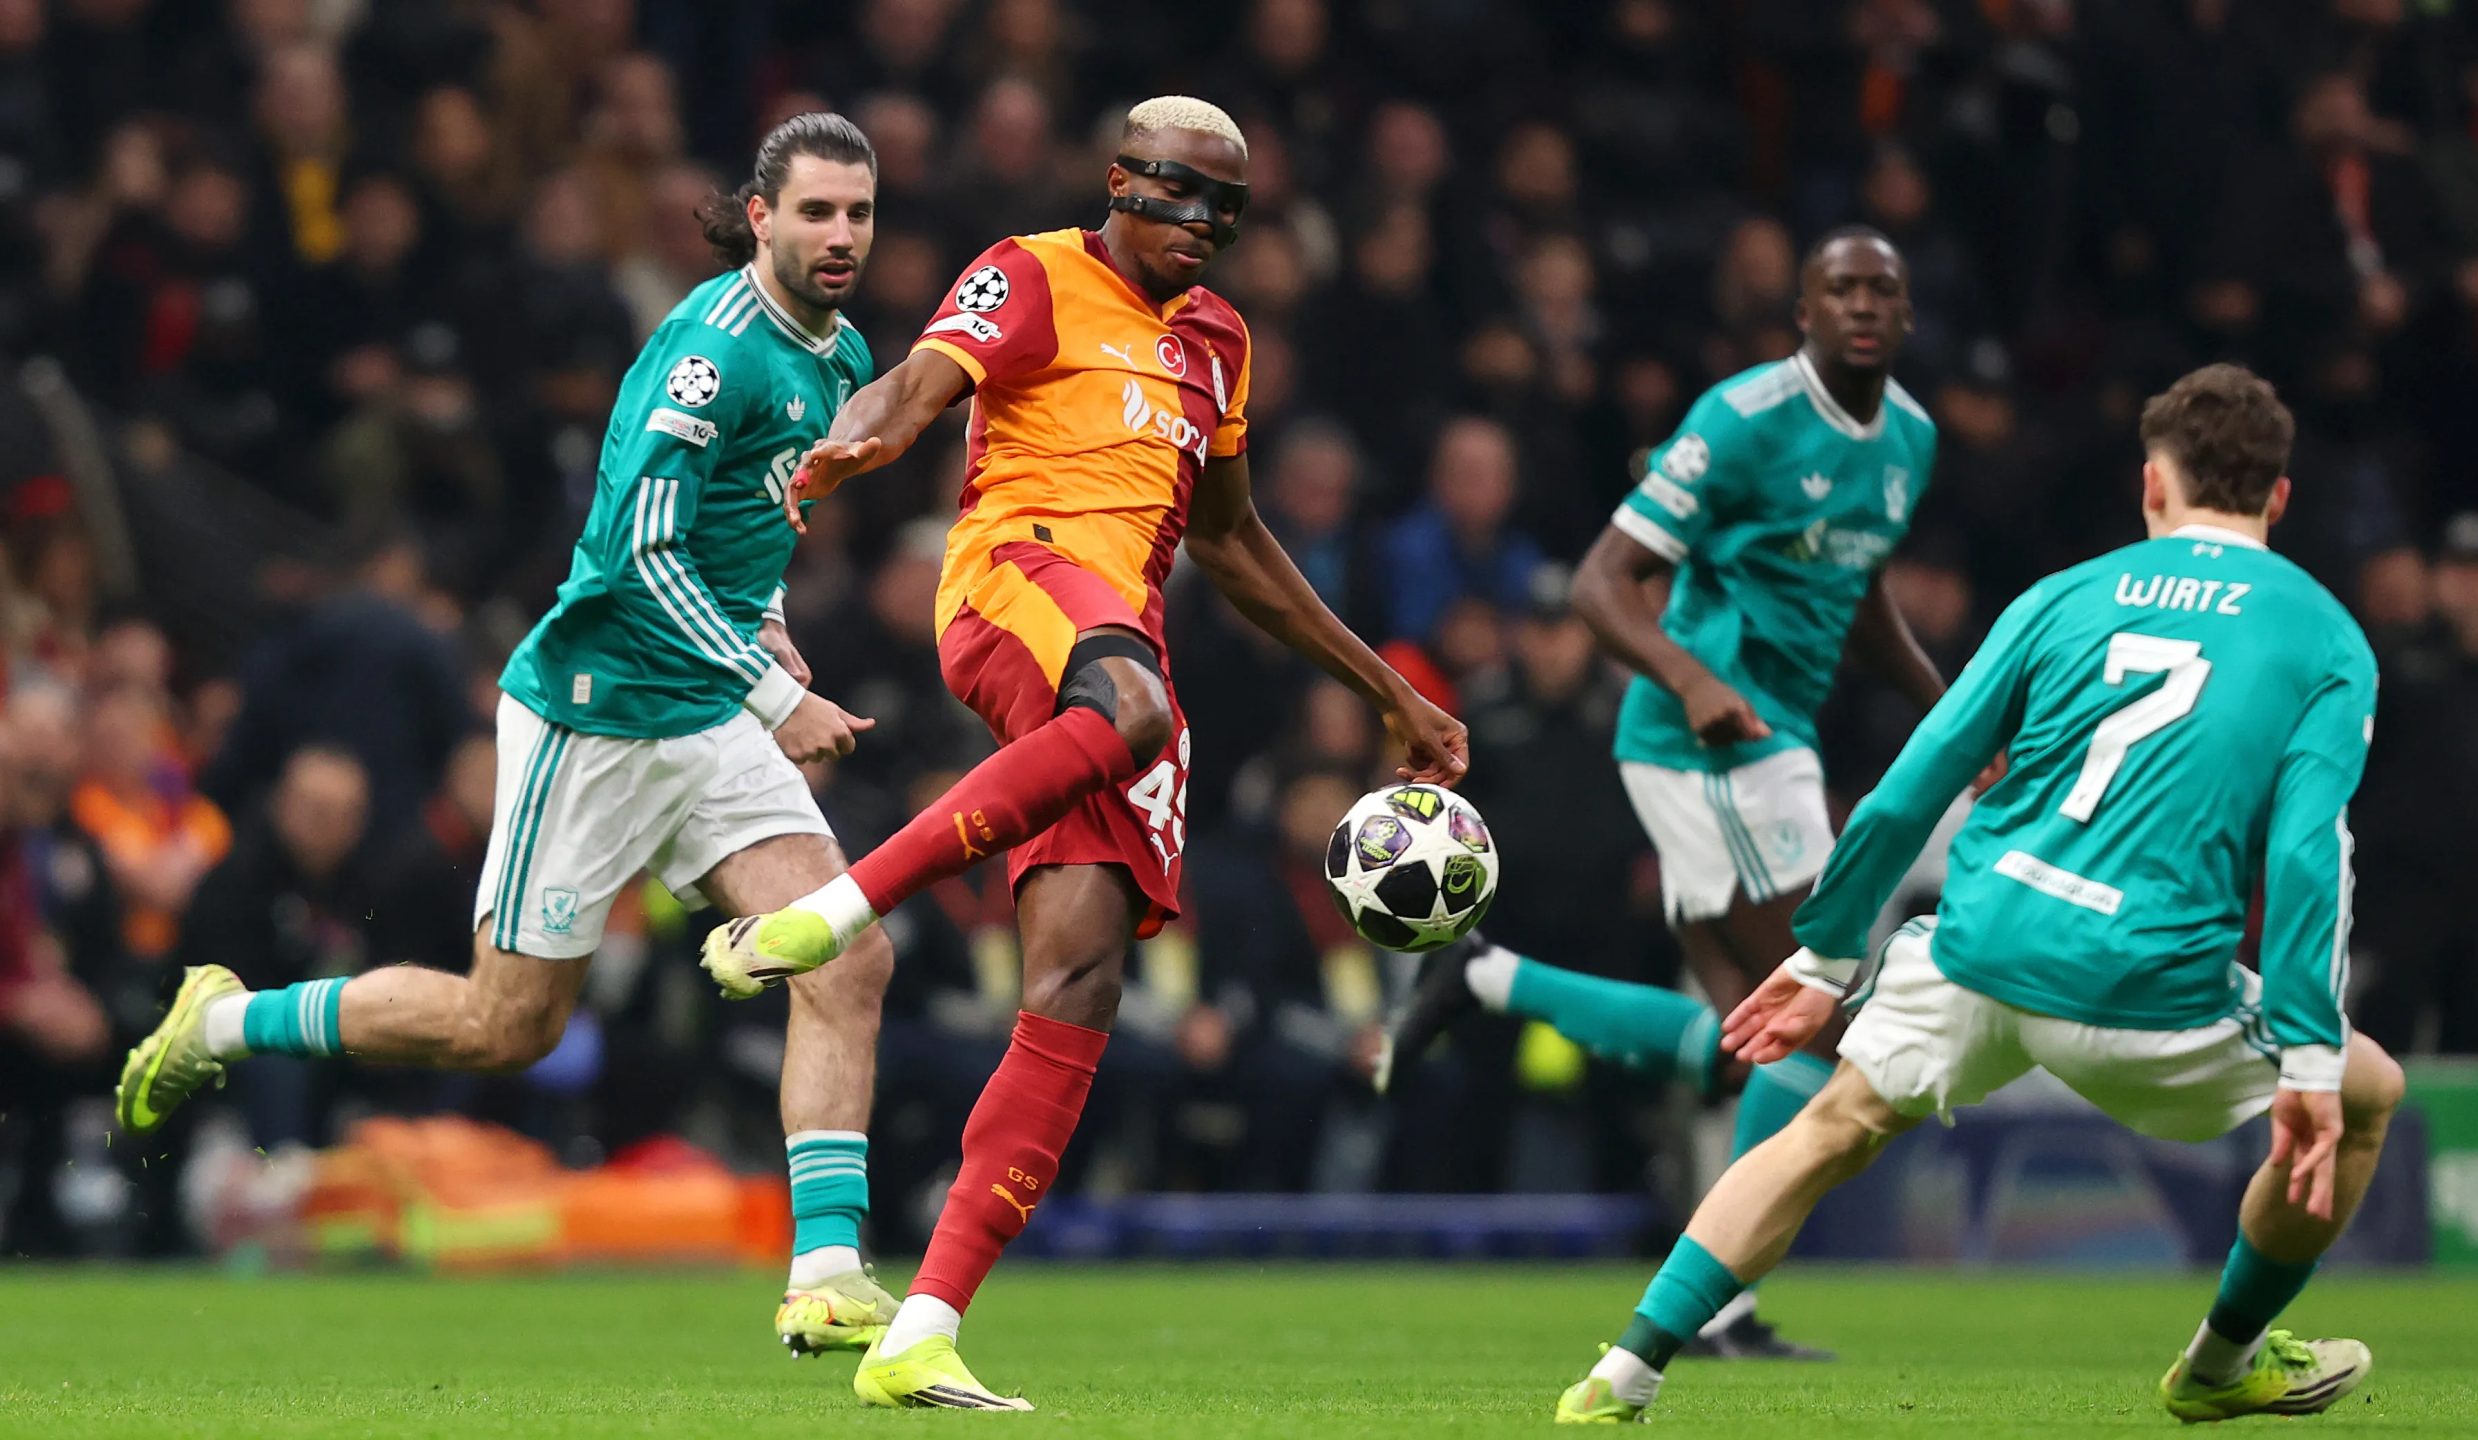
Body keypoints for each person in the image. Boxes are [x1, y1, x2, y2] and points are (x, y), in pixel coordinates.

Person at [701, 96, 1468, 1410]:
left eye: (1227, 207)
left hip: (1120, 650)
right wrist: (869, 435)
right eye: (1178, 191)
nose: (1202, 223)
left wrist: (1386, 687)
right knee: (1134, 711)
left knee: (1078, 986)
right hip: (1019, 577)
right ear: (1120, 180)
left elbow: (1230, 540)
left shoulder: (1219, 343)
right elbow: (919, 382)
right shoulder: (1033, 271)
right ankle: (831, 912)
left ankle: (923, 1329)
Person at [113, 114, 904, 1357]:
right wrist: (774, 695)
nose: (841, 233)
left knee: (847, 958)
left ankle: (825, 1275)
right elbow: (637, 554)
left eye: (857, 211)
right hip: (597, 713)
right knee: (505, 1027)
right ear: (760, 218)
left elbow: (740, 529)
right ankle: (220, 1020)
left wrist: (770, 626)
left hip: (703, 709)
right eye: (815, 211)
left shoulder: (839, 351)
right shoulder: (712, 354)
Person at [1553, 364, 2405, 1424]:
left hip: (1979, 942)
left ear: (2152, 484)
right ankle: (2222, 1365)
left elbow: (1913, 784)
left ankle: (1621, 1374)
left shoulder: (2062, 596)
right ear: (2278, 497)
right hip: (2141, 982)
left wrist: (1823, 958)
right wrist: (2311, 1058)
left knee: (1828, 1127)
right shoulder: (2325, 638)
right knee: (2367, 1095)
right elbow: (2309, 854)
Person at [1380, 227, 1969, 1357]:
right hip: (1708, 738)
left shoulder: (1909, 439)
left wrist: (1951, 714)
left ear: (1905, 313)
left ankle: (1491, 977)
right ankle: (1718, 1298)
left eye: (1881, 289)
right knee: (1817, 1004)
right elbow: (1602, 583)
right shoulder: (1742, 420)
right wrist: (1692, 679)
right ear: (1802, 311)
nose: (1861, 305)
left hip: (1773, 736)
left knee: (1755, 1034)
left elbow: (1858, 590)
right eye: (1839, 288)